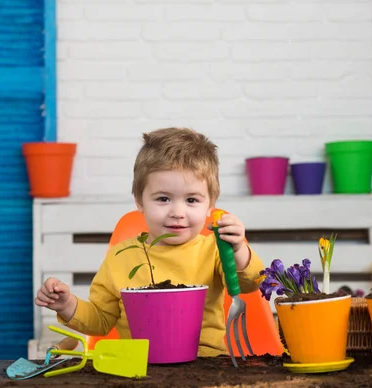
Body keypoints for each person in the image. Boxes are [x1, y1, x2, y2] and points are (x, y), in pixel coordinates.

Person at [35, 127, 265, 356]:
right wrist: (67, 306)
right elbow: (100, 321)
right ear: (140, 202)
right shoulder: (120, 257)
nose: (177, 212)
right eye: (163, 198)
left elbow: (250, 284)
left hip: (206, 363)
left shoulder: (214, 250)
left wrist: (238, 250)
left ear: (210, 205)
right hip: (140, 366)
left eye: (192, 200)